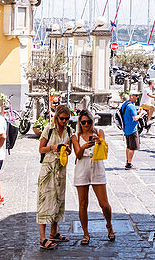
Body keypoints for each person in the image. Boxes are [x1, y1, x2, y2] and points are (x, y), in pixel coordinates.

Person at [73, 108, 114, 245]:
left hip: (97, 168)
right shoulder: (76, 136)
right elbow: (78, 155)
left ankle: (109, 224)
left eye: (88, 121)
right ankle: (85, 233)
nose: (86, 125)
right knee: (83, 204)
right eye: (83, 122)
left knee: (104, 204)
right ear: (79, 122)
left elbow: (104, 151)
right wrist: (84, 146)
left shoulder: (99, 133)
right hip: (82, 169)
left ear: (92, 121)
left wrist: (99, 141)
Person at [37, 105, 74, 249]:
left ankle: (54, 232)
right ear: (56, 117)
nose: (64, 121)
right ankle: (42, 238)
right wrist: (54, 147)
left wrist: (67, 149)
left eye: (66, 119)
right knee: (45, 200)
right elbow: (41, 149)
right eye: (62, 118)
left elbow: (69, 149)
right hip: (48, 169)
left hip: (61, 169)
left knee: (58, 200)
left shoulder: (68, 130)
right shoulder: (49, 129)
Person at [121, 92, 140, 170]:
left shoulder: (125, 104)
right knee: (132, 147)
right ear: (131, 96)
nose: (137, 97)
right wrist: (141, 114)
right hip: (132, 129)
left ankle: (127, 161)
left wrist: (137, 112)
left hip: (126, 128)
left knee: (128, 146)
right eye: (136, 96)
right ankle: (129, 164)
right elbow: (135, 118)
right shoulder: (131, 106)